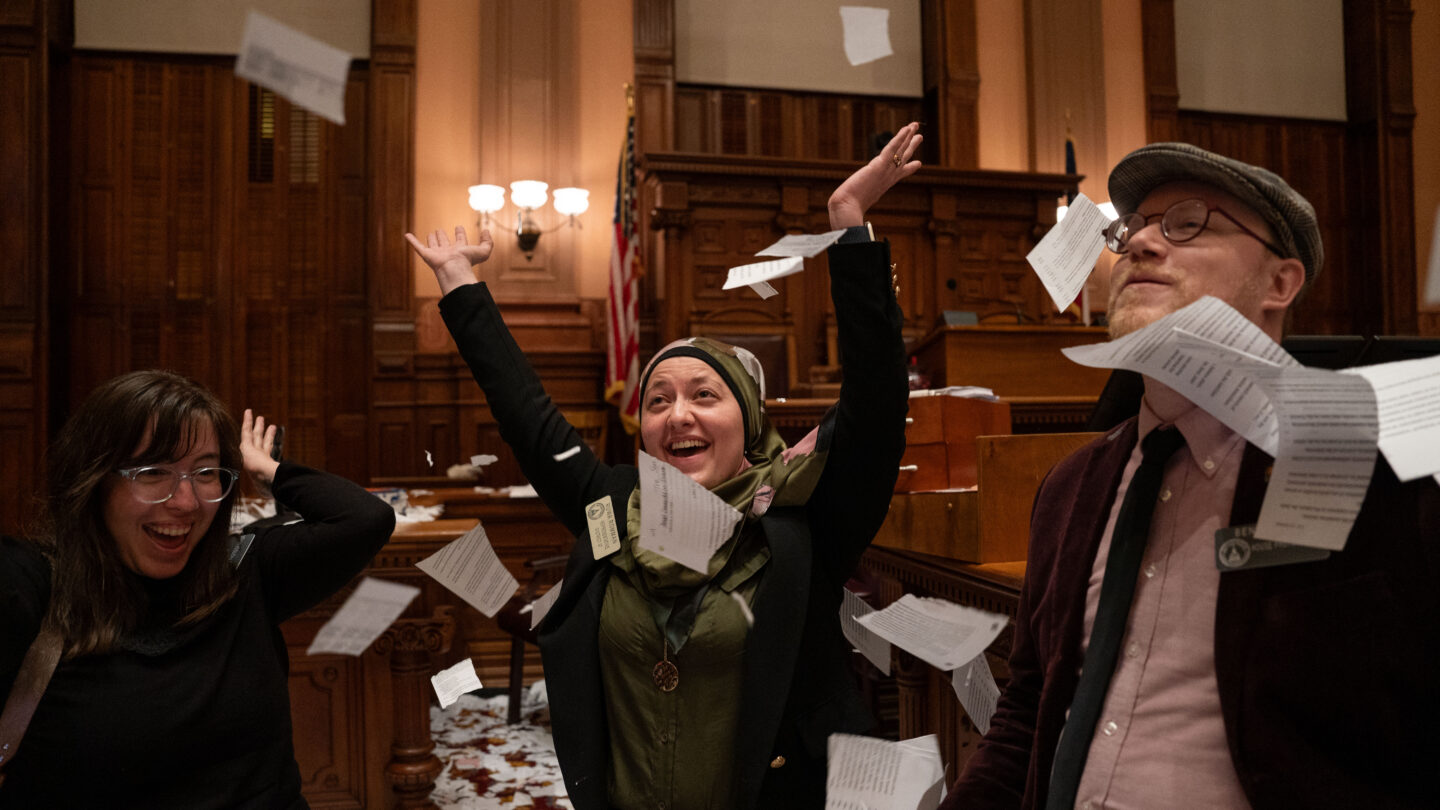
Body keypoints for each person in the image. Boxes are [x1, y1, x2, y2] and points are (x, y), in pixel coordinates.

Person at [404, 124, 918, 809]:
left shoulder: (800, 522)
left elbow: (878, 407)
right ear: (643, 435)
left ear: (751, 424)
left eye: (705, 396)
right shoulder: (610, 508)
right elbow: (527, 415)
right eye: (658, 401)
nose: (678, 415)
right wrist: (459, 282)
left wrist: (848, 228)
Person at [943, 143, 1440, 809]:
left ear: (1280, 284)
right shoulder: (1069, 488)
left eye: (1187, 222)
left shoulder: (1372, 465)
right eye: (1134, 226)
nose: (1141, 241)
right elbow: (1028, 712)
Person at [0, 370, 396, 808]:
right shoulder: (35, 587)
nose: (186, 502)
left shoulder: (245, 572)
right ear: (93, 481)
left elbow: (365, 520)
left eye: (206, 472)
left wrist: (267, 471)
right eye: (153, 472)